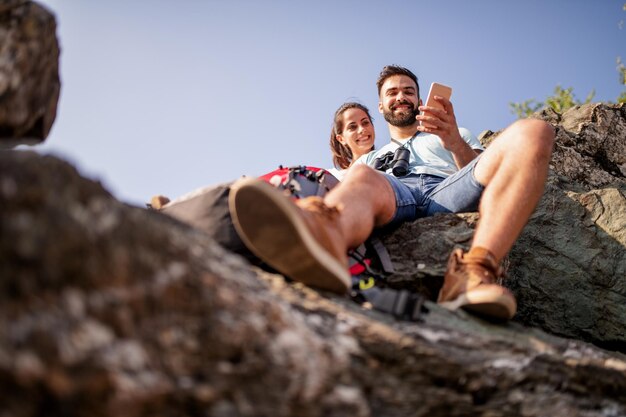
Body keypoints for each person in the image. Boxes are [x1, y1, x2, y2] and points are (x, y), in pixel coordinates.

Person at [229, 65, 555, 321]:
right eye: (392, 92)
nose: (401, 96)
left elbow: (488, 173)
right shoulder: (368, 159)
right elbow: (344, 184)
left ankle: (473, 273)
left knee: (534, 131)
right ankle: (323, 239)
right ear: (381, 104)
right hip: (394, 194)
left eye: (409, 92)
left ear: (419, 100)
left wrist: (453, 141)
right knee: (363, 174)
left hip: (449, 189)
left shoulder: (454, 133)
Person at [327, 102, 376, 181]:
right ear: (341, 139)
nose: (362, 129)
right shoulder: (335, 177)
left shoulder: (393, 159)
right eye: (352, 127)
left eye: (365, 123)